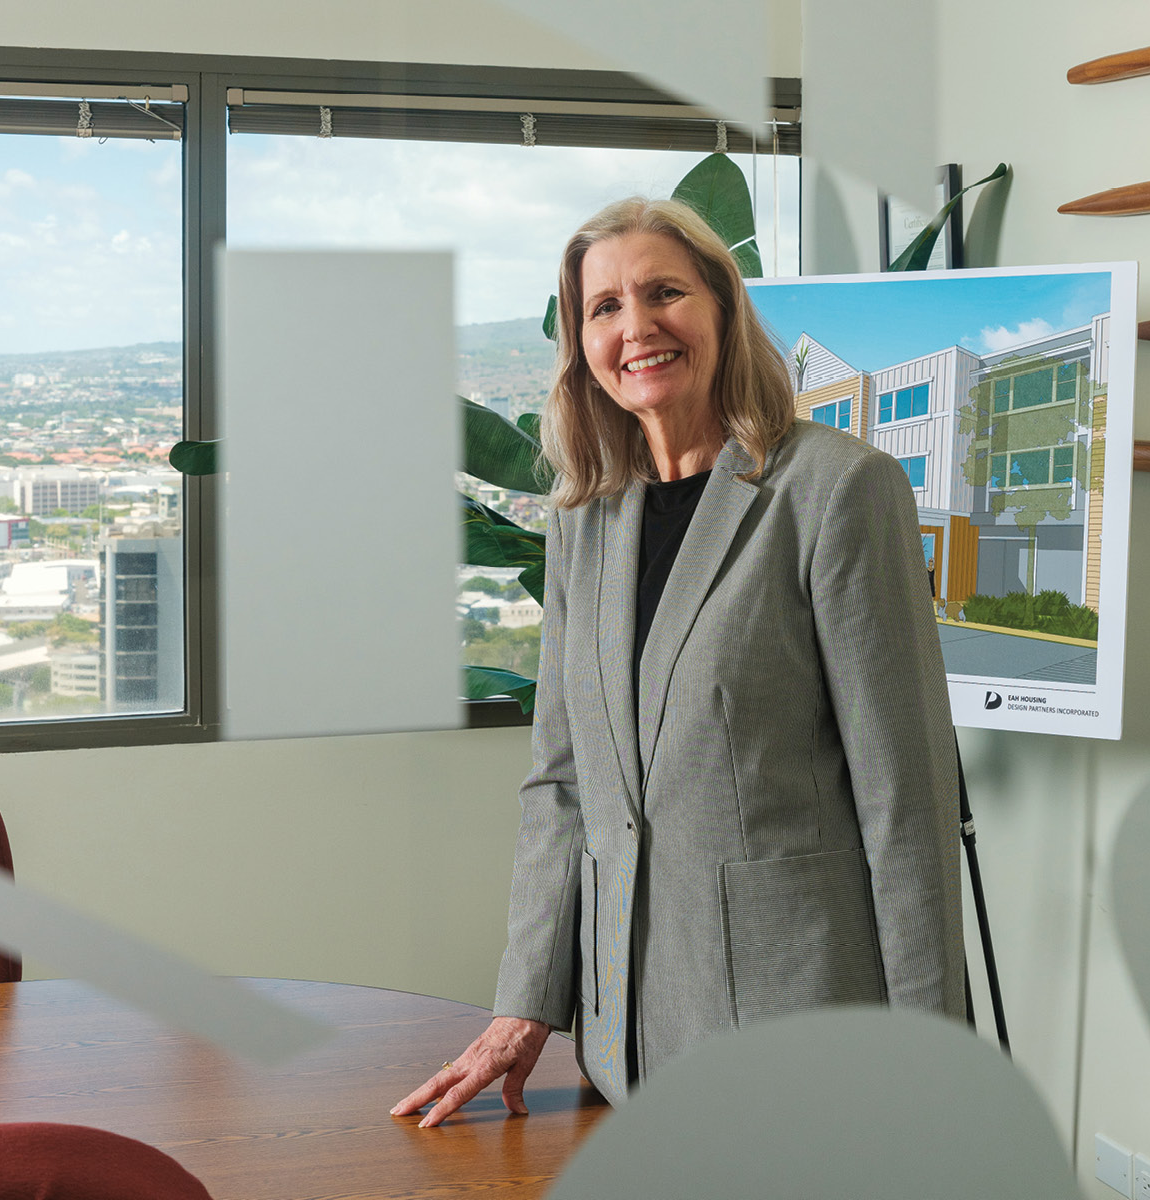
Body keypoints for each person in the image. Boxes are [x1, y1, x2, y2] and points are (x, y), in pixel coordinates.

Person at [392, 197, 962, 1126]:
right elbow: (563, 785)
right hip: (628, 1038)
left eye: (666, 293)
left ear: (724, 311)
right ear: (581, 346)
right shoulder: (585, 517)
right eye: (605, 307)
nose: (638, 326)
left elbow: (907, 798)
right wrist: (524, 1006)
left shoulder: (837, 489)